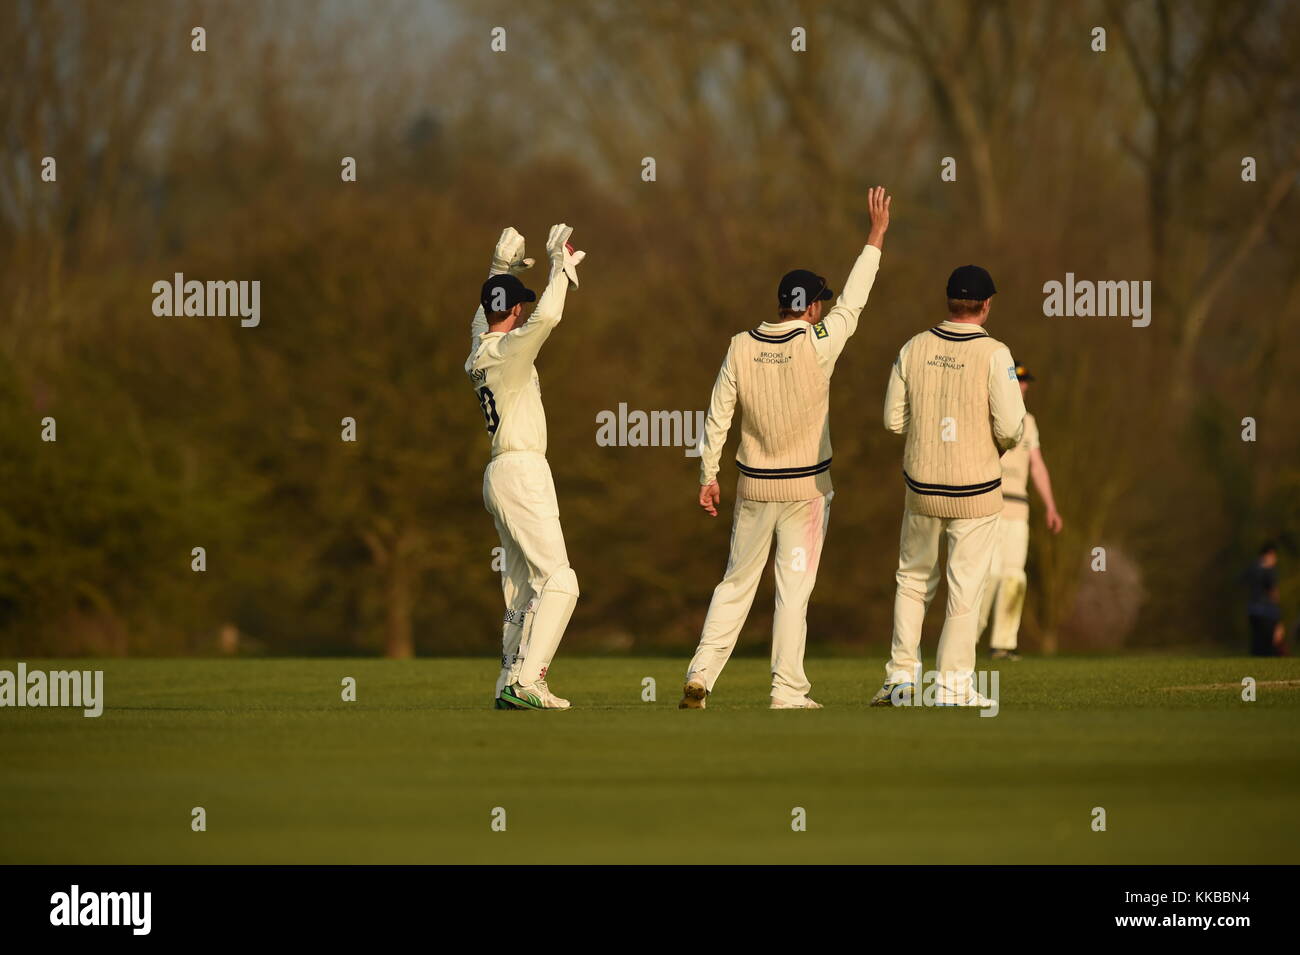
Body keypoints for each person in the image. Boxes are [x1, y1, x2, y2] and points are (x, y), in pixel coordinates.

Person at [679, 187, 892, 709]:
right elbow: (857, 299)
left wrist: (708, 476)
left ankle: (701, 674)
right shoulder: (820, 343)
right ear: (814, 306)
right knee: (792, 592)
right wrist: (875, 236)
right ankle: (787, 690)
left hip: (754, 486)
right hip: (807, 491)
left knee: (735, 583)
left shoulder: (740, 344)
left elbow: (717, 414)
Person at [873, 265, 1025, 707]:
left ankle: (900, 681)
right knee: (966, 586)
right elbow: (1013, 425)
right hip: (976, 488)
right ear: (987, 304)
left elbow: (891, 420)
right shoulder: (995, 353)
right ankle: (952, 686)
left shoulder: (913, 346)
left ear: (948, 301)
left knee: (913, 580)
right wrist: (994, 446)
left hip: (921, 485)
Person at [466, 225, 585, 709]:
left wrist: (501, 267)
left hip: (498, 472)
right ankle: (528, 682)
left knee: (521, 591)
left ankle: (507, 685)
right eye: (521, 305)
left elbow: (482, 315)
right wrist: (559, 265)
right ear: (515, 311)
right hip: (523, 471)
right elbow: (551, 315)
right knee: (561, 580)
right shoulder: (512, 350)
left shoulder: (479, 351)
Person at [976, 363, 1063, 660]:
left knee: (1015, 577)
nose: (1023, 386)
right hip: (988, 504)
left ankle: (1003, 644)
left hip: (1019, 508)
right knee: (989, 574)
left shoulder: (1030, 422)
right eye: (1019, 380)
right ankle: (968, 637)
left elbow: (1036, 465)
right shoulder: (986, 415)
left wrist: (1050, 506)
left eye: (1026, 382)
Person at [1246, 542, 1284, 657]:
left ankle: (1254, 667)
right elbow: (1273, 594)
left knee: (1257, 644)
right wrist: (1279, 620)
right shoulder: (1269, 571)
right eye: (1274, 556)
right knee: (1270, 647)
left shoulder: (1252, 568)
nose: (1275, 560)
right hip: (1267, 613)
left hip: (1252, 611)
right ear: (1269, 554)